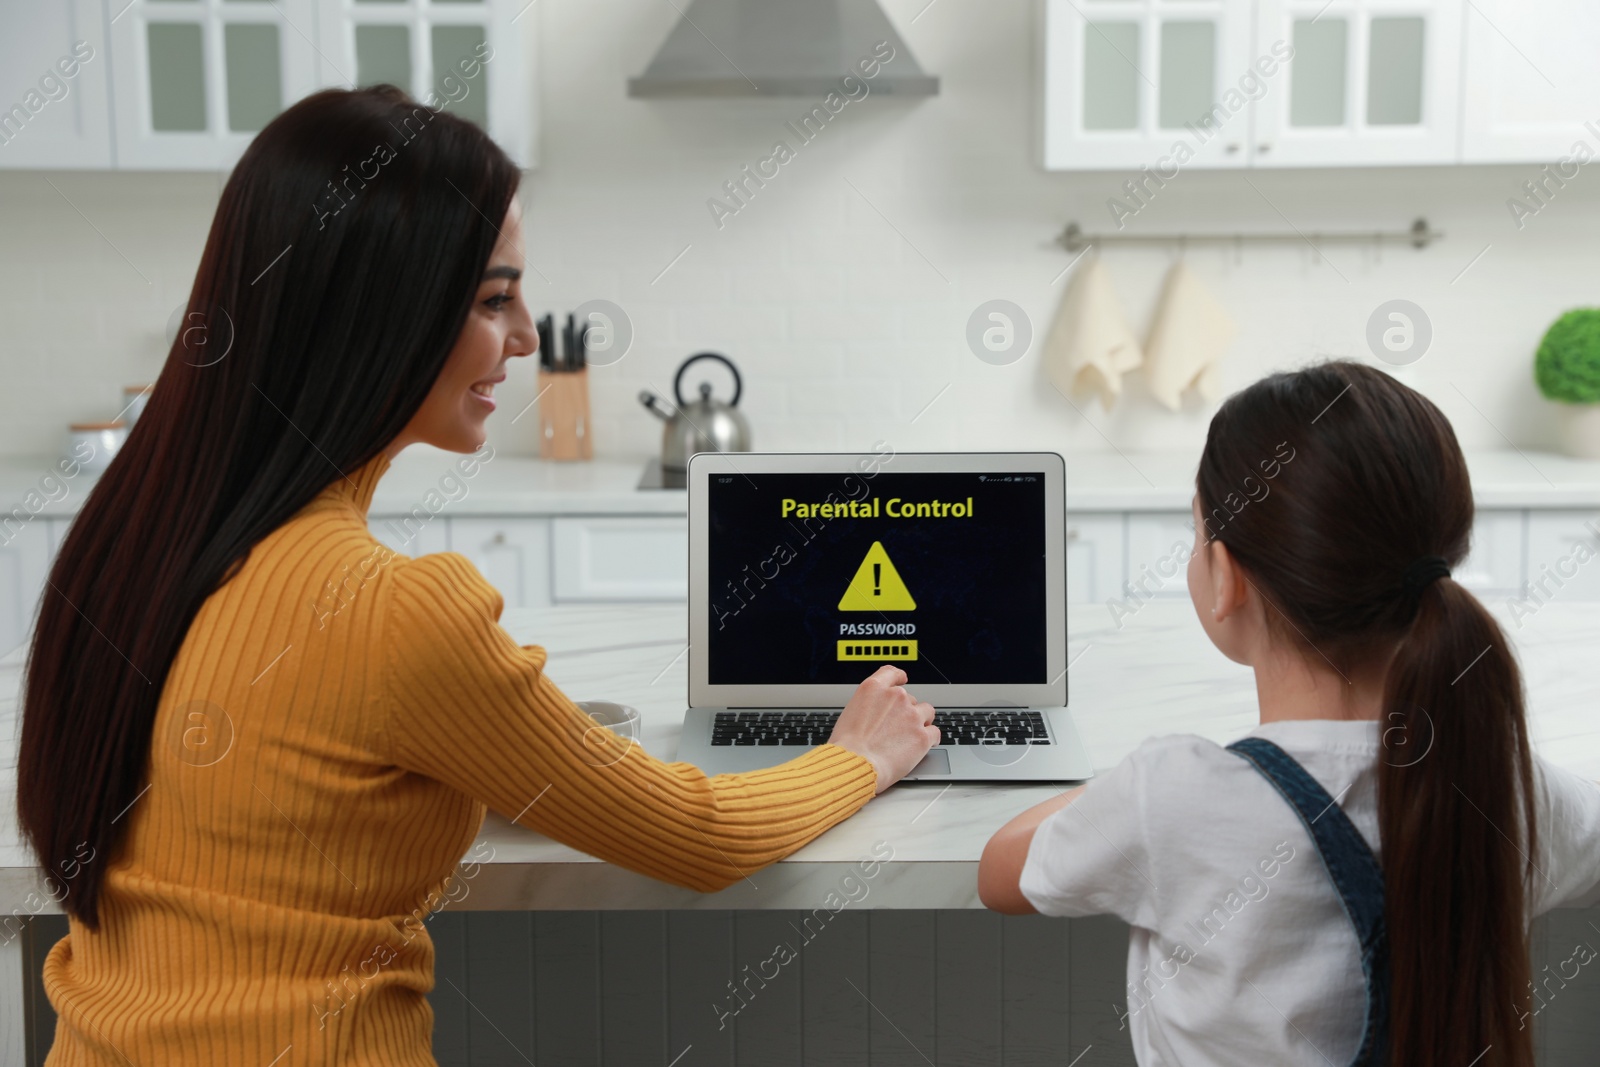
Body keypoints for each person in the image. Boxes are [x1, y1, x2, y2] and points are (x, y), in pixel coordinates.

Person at [17, 86, 939, 1066]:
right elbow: (697, 836)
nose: (528, 334)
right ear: (385, 309)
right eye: (495, 297)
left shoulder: (125, 542)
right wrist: (864, 753)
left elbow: (266, 792)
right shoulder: (390, 610)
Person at [978, 361, 1600, 1067]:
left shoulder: (1172, 793)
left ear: (1226, 578)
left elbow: (1000, 871)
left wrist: (1118, 787)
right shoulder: (1509, 791)